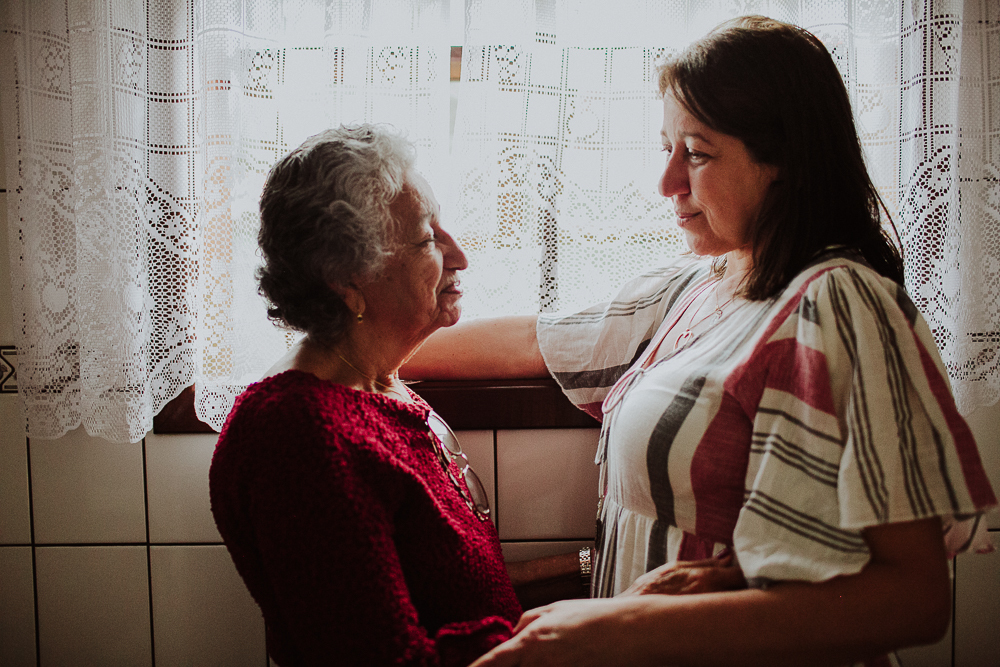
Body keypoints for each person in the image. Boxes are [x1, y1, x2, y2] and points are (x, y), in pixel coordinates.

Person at [403, 16, 998, 667]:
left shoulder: (841, 305)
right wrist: (353, 354)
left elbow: (912, 599)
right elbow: (530, 342)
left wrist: (615, 628)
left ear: (785, 161)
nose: (667, 183)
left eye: (697, 153)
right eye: (667, 148)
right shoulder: (695, 287)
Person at [208, 124, 587, 667]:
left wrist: (592, 575)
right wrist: (584, 640)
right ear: (348, 277)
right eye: (428, 238)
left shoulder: (383, 388)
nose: (459, 254)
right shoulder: (300, 434)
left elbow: (449, 597)